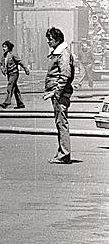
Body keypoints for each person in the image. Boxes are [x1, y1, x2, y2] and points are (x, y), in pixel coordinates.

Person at [44, 27, 74, 164]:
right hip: (59, 93)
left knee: (61, 123)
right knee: (60, 122)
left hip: (60, 94)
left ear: (57, 39)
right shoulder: (59, 53)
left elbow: (65, 75)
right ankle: (62, 152)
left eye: (50, 39)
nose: (48, 42)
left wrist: (55, 92)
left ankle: (64, 154)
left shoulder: (63, 54)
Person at [0, 40, 29, 109]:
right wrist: (3, 70)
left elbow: (20, 62)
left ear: (8, 47)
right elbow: (1, 64)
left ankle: (7, 102)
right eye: (3, 47)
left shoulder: (13, 54)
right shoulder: (4, 56)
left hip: (14, 73)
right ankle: (20, 103)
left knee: (10, 86)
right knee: (15, 88)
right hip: (9, 74)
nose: (3, 48)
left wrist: (26, 69)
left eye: (5, 47)